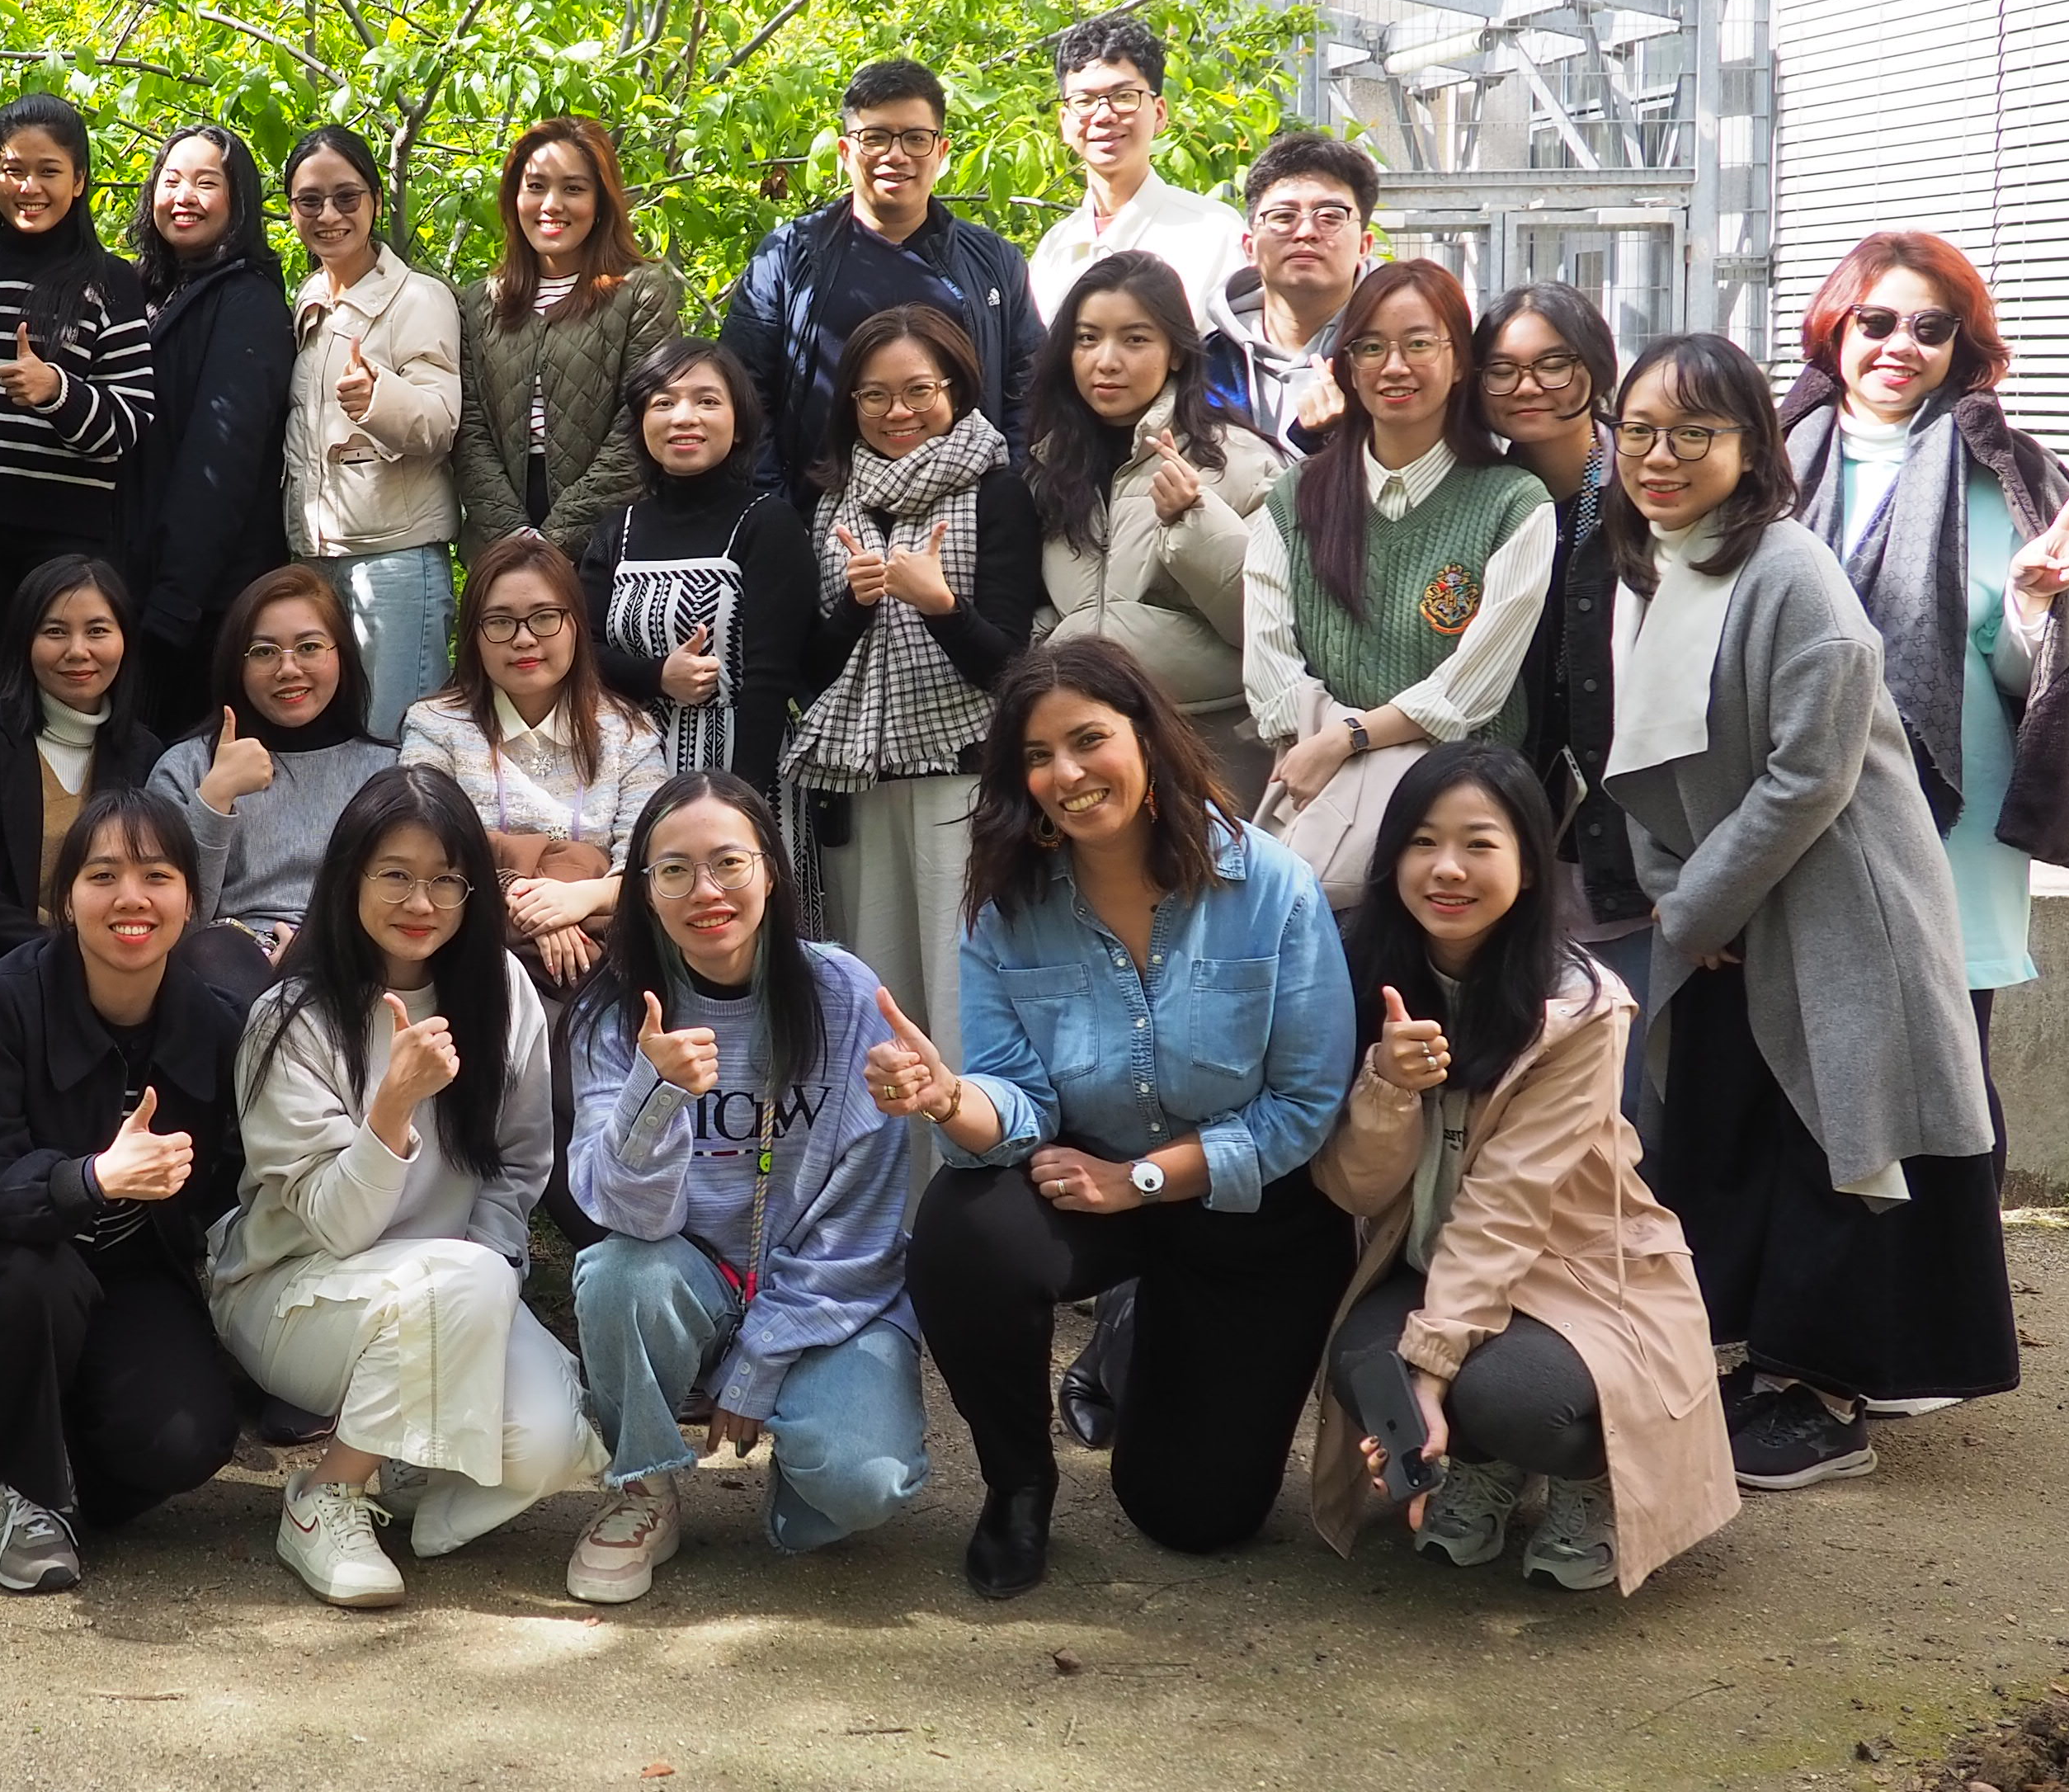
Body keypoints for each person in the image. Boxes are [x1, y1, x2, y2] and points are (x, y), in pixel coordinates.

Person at [1600, 332, 2014, 1493]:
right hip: (1733, 902)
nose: (1662, 456)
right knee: (1740, 1132)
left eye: (1696, 433)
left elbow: (1812, 772)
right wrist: (1685, 896)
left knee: (1837, 1140)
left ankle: (1824, 1398)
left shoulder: (1790, 570)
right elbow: (1636, 755)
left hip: (1837, 901)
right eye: (1640, 432)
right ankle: (1768, 1365)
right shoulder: (1655, 562)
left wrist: (1695, 905)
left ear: (1753, 446)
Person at [905, 643, 1357, 1599]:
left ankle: (1134, 1336)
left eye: (1088, 740)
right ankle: (1019, 1485)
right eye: (1037, 756)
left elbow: (1307, 1106)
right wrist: (953, 1100)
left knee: (1195, 1516)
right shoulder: (1007, 911)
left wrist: (1143, 1181)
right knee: (965, 1228)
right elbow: (1018, 1101)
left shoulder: (1272, 887)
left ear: (1145, 738)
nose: (1065, 775)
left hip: (1248, 1209)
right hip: (1084, 1179)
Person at [1309, 742, 1737, 1595]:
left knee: (1509, 1396)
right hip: (1442, 1264)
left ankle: (1590, 1480)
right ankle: (1484, 1468)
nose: (1447, 870)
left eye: (1479, 843)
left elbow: (1508, 1206)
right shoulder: (1367, 977)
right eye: (1423, 843)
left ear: (1531, 867)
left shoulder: (1579, 1007)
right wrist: (1389, 1087)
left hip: (1578, 1273)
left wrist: (1429, 1371)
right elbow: (1353, 1189)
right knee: (1365, 1360)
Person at [1780, 231, 2069, 1119]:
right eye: (1877, 320)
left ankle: (1946, 1258)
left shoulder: (2012, 479)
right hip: (1789, 806)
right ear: (1837, 328)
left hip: (1950, 820)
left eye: (1931, 325)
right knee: (1788, 1073)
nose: (1899, 345)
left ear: (1962, 346)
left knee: (1944, 1080)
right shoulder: (1761, 464)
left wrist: (2032, 603)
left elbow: (2030, 685)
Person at [212, 770, 593, 1606]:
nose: (419, 899)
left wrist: (479, 1292)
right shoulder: (292, 1018)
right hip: (296, 1297)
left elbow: (519, 1165)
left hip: (452, 1291)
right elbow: (335, 1230)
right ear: (349, 876)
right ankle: (324, 1497)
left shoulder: (499, 990)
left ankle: (405, 1466)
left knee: (545, 1446)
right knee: (468, 1279)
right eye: (394, 873)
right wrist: (393, 1103)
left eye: (444, 879)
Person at [558, 774, 928, 1603]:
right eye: (674, 870)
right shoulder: (613, 1014)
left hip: (827, 1297)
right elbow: (623, 1215)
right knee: (617, 1274)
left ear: (771, 870)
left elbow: (864, 1229)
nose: (706, 892)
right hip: (689, 1277)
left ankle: (803, 1472)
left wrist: (762, 1363)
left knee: (864, 1485)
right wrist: (655, 1098)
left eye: (728, 862)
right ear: (643, 892)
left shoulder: (844, 996)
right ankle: (643, 1486)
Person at [0, 790, 266, 1594]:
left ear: (191, 902)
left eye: (157, 876)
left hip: (127, 1276)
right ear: (65, 900)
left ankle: (56, 1465)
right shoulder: (2, 999)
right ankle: (22, 1496)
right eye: (103, 875)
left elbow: (238, 1186)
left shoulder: (215, 1026)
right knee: (34, 1277)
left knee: (187, 1441)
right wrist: (89, 1179)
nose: (131, 898)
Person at [1242, 258, 1553, 903]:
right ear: (1347, 364)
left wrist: (1345, 739)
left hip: (1460, 827)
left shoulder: (1515, 503)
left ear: (1460, 359)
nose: (1395, 366)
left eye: (1419, 344)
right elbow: (1269, 665)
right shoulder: (1296, 496)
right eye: (1372, 347)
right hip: (1321, 809)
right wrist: (1327, 750)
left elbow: (1470, 692)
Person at [776, 302, 1041, 1059]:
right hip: (856, 788)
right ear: (850, 402)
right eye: (874, 395)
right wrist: (857, 610)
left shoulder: (996, 493)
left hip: (961, 785)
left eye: (920, 390)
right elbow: (811, 674)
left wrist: (941, 604)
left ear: (956, 389)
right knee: (877, 1003)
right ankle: (890, 1177)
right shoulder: (831, 503)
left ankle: (969, 1161)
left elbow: (1010, 668)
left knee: (962, 1001)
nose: (899, 412)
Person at [1477, 284, 1653, 1104]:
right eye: (1503, 369)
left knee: (1623, 1089)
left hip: (1619, 840)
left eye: (1554, 363)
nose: (1528, 386)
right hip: (1509, 828)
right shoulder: (1473, 495)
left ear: (1596, 368)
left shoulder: (1645, 487)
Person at [0, 92, 156, 696]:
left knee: (70, 705)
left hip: (71, 542)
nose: (29, 187)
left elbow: (129, 424)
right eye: (13, 170)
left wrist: (56, 392)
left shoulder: (113, 279)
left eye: (48, 171)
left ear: (78, 181)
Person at [1028, 252, 1285, 801]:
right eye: (1088, 339)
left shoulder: (1236, 460)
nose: (1106, 361)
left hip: (1210, 753)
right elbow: (1048, 604)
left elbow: (1271, 623)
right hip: (1087, 760)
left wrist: (1196, 520)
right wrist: (1049, 650)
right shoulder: (1048, 467)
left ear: (1174, 352)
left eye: (1135, 339)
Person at [723, 55, 1041, 492]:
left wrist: (1006, 499)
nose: (896, 155)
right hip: (814, 518)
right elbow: (744, 392)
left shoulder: (993, 261)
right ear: (845, 152)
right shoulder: (789, 257)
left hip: (969, 518)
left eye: (915, 138)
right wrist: (776, 514)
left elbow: (1028, 393)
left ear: (941, 151)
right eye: (875, 138)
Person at [397, 533, 672, 997]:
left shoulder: (630, 733)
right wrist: (533, 905)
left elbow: (654, 860)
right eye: (500, 622)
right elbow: (427, 840)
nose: (524, 639)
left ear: (576, 625)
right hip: (476, 950)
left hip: (602, 954)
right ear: (474, 637)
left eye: (544, 618)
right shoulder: (434, 725)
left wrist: (574, 900)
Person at [280, 125, 461, 743]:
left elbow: (441, 421)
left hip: (396, 562)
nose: (328, 215)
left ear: (375, 202)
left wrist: (379, 397)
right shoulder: (307, 301)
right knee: (338, 746)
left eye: (346, 197)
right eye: (310, 201)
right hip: (319, 561)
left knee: (398, 747)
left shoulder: (419, 298)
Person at [579, 336, 813, 802]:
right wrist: (657, 676)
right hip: (628, 775)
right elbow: (578, 652)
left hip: (744, 770)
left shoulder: (767, 523)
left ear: (740, 425)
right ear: (643, 423)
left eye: (707, 401)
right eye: (664, 402)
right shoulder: (616, 531)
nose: (684, 417)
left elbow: (772, 679)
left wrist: (742, 803)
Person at [124, 122, 295, 735]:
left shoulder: (248, 301)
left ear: (238, 200)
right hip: (144, 587)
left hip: (205, 602)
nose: (184, 196)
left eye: (205, 183)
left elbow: (221, 461)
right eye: (171, 181)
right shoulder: (149, 292)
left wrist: (173, 602)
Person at [451, 114, 686, 555]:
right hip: (500, 541)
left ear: (601, 201)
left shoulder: (639, 294)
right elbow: (470, 431)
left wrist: (557, 540)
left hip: (612, 541)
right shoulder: (479, 303)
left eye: (573, 189)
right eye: (536, 186)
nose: (551, 204)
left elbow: (638, 426)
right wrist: (513, 538)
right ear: (514, 196)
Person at [0, 554, 164, 997]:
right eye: (55, 631)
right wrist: (64, 954)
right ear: (25, 641)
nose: (78, 651)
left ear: (125, 641)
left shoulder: (145, 754)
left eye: (97, 631)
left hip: (118, 978)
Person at [151, 564, 404, 952]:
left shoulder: (388, 770)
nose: (288, 669)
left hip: (354, 954)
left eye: (309, 647)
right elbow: (169, 923)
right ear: (238, 664)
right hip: (225, 956)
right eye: (265, 652)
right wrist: (215, 798)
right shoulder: (186, 768)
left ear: (343, 655)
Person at [1024, 12, 1240, 332]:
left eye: (1124, 97)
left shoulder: (1217, 234)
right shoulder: (1054, 248)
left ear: (1160, 114)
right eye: (1084, 100)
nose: (1103, 115)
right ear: (1065, 123)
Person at [1205, 132, 1379, 453]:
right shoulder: (1205, 366)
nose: (1307, 232)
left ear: (1364, 246)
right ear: (1250, 247)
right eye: (1283, 217)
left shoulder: (1395, 357)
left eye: (1330, 217)